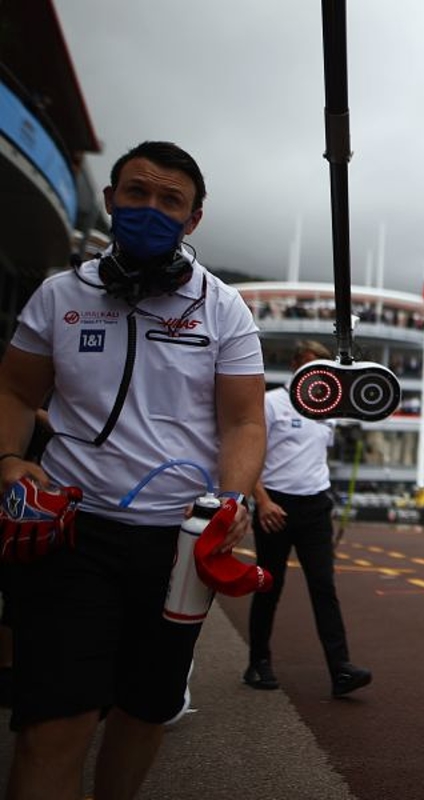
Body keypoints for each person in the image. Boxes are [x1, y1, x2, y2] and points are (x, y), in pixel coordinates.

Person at [0, 140, 266, 800]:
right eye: (137, 193)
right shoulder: (61, 294)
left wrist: (231, 501)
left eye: (170, 199)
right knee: (51, 726)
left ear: (193, 220)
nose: (150, 208)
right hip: (70, 535)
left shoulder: (223, 308)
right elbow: (14, 391)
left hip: (178, 544)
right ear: (111, 200)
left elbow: (243, 421)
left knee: (144, 711)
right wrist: (8, 459)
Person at [243, 340, 372, 698]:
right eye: (315, 365)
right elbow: (247, 454)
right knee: (269, 586)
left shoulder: (327, 407)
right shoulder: (270, 403)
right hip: (276, 508)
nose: (320, 374)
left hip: (316, 506)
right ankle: (258, 662)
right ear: (298, 363)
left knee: (324, 587)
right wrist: (263, 502)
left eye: (326, 367)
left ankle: (341, 669)